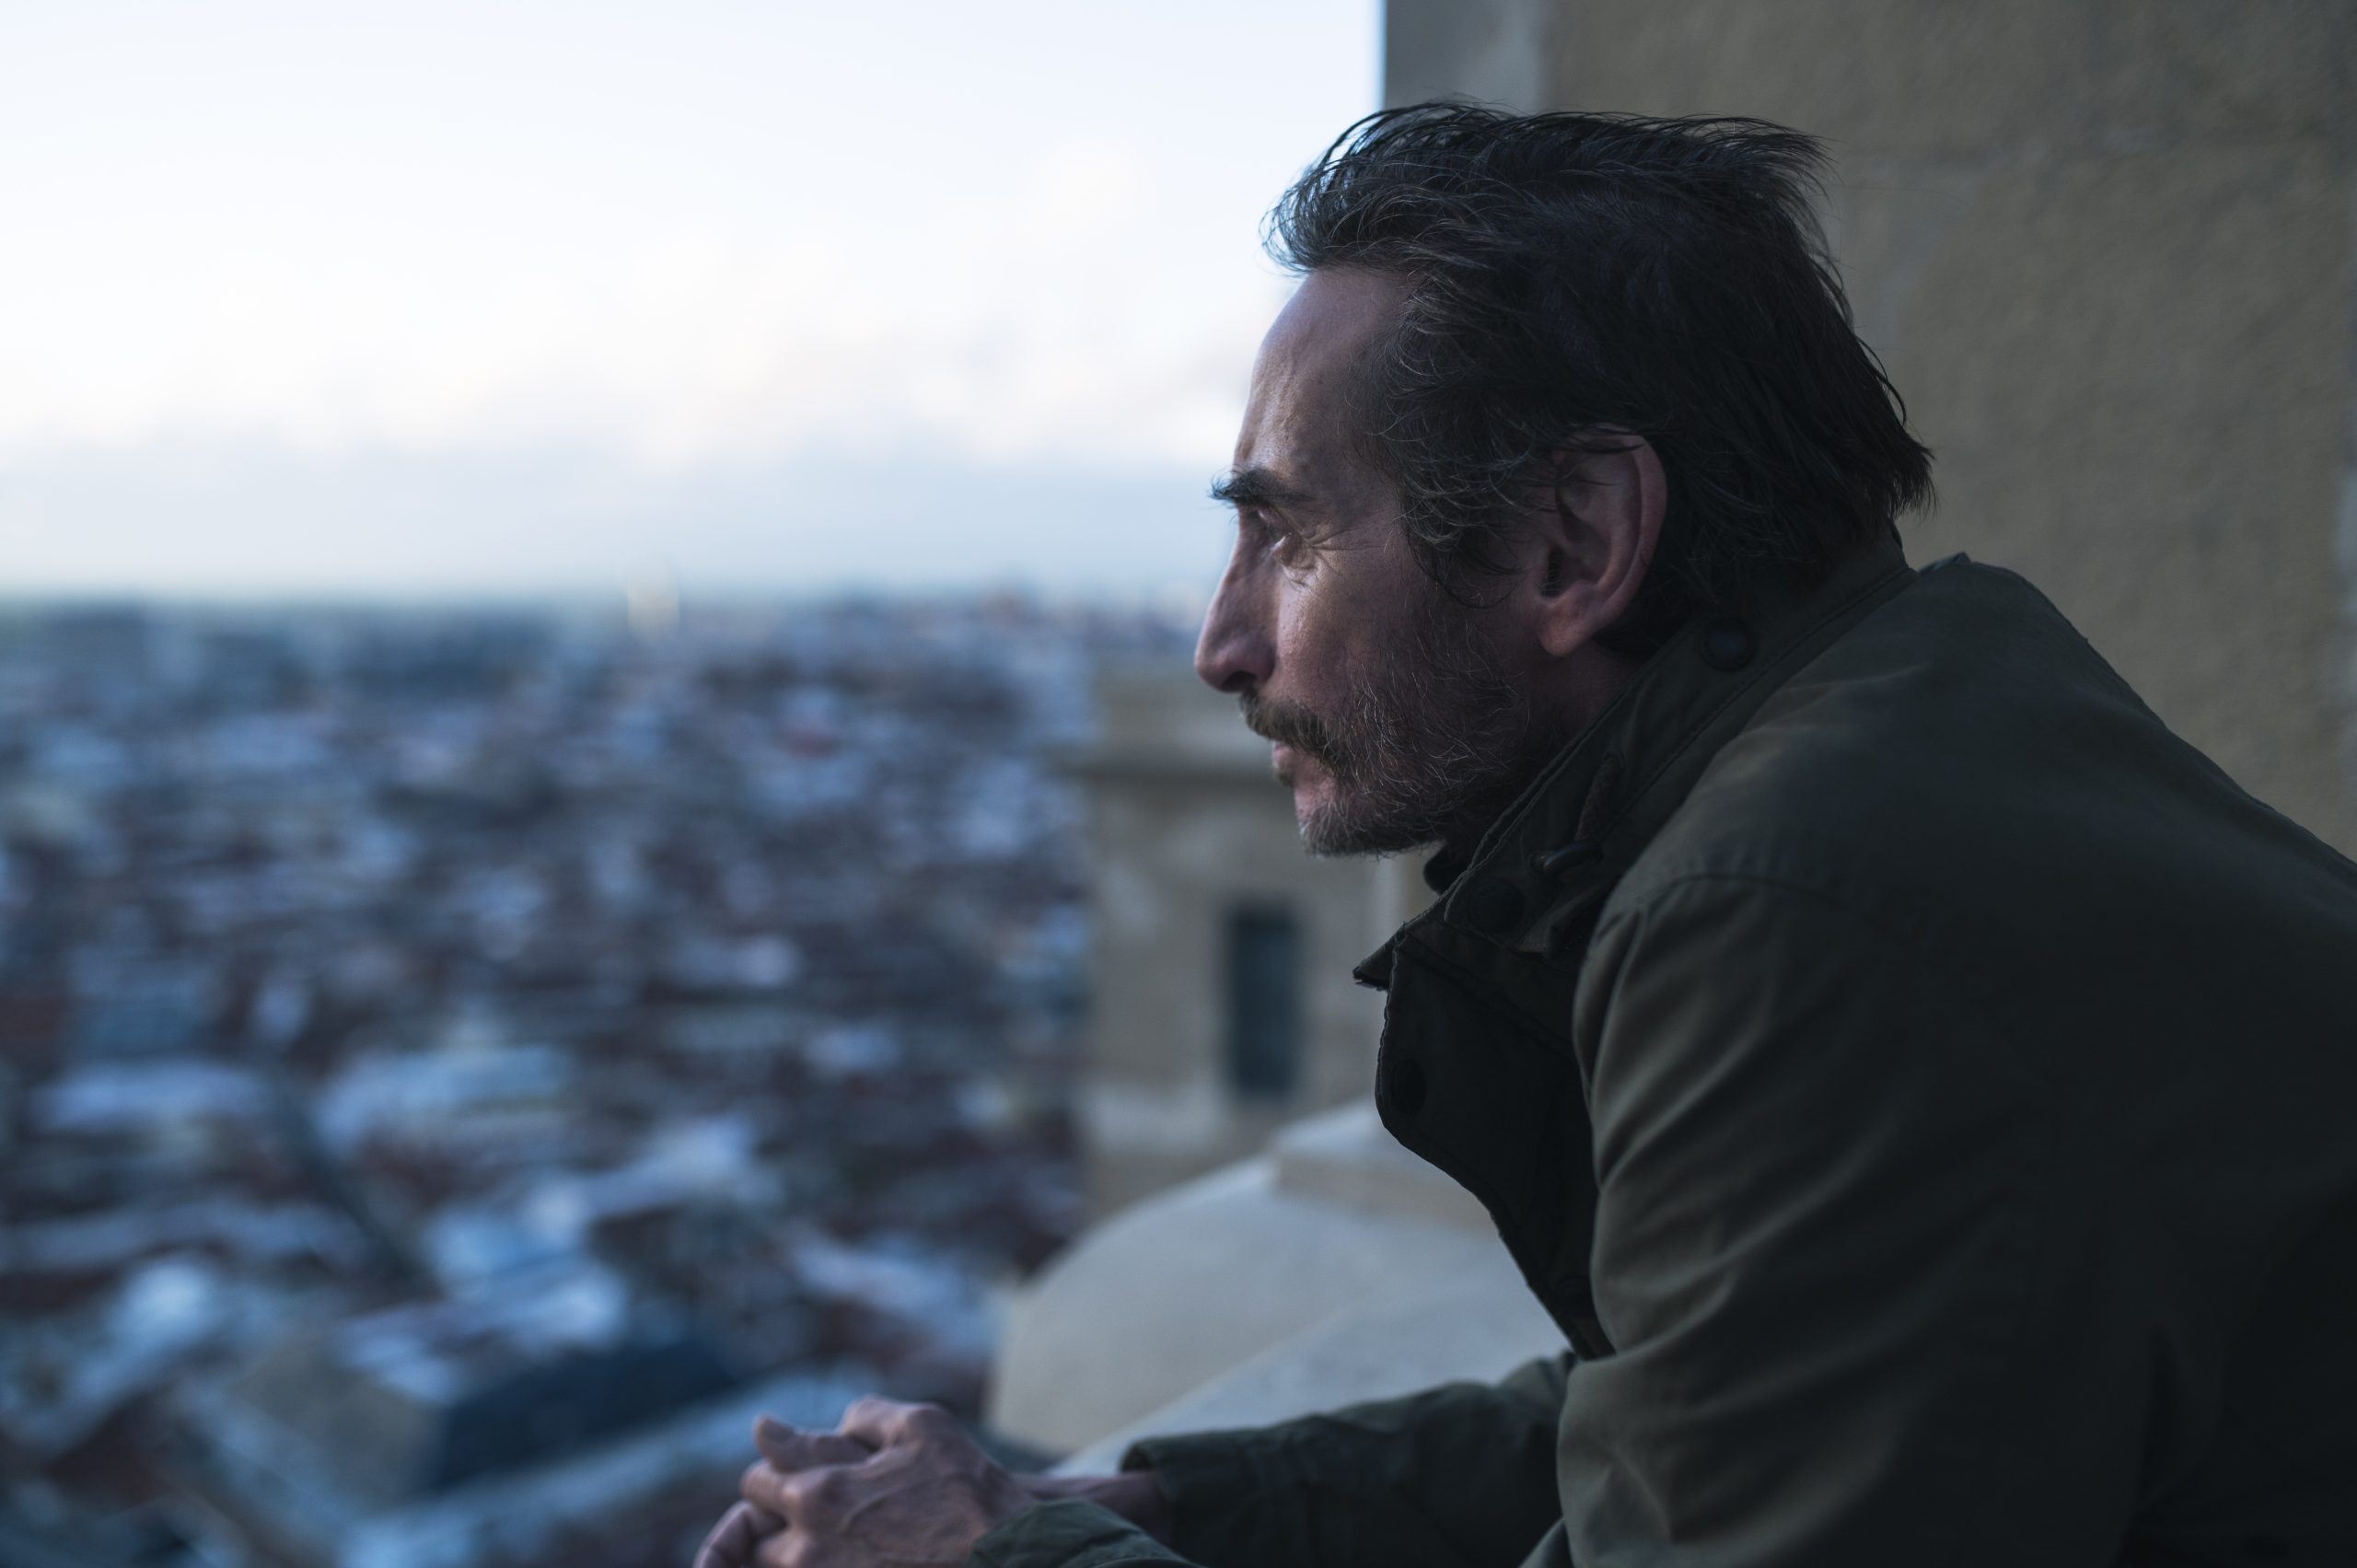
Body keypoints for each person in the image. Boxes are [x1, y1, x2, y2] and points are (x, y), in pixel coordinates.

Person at [696, 105, 2357, 1568]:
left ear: (1575, 540)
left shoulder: (1787, 907)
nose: (1223, 643)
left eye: (1288, 539)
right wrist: (1165, 1508)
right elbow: (1699, 1412)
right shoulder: (1919, 718)